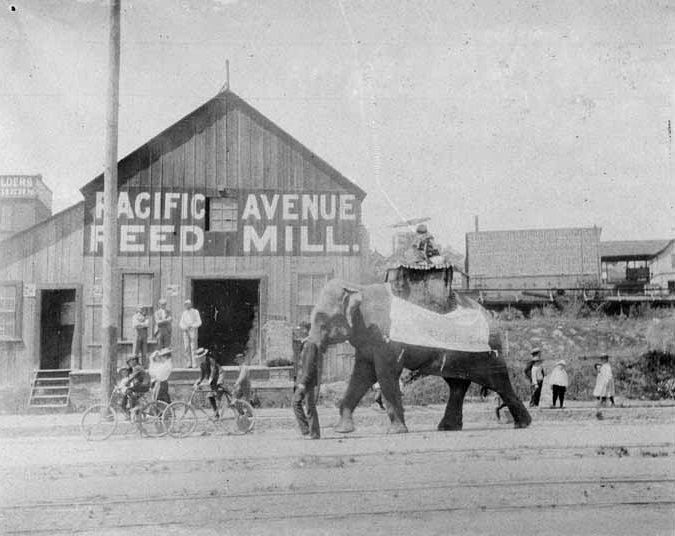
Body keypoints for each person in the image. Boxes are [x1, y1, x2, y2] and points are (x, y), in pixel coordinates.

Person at [293, 334, 325, 440]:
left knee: (309, 406)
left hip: (307, 381)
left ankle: (314, 433)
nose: (296, 333)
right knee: (297, 402)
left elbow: (309, 365)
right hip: (303, 381)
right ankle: (307, 430)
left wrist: (303, 382)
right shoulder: (304, 344)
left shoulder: (310, 345)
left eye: (298, 330)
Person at [194, 348, 227, 418]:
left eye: (201, 357)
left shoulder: (211, 360)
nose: (200, 359)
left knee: (218, 392)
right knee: (210, 396)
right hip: (213, 380)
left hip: (219, 375)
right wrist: (197, 382)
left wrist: (209, 381)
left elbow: (213, 371)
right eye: (199, 358)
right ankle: (216, 413)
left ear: (204, 356)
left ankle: (227, 403)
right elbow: (202, 376)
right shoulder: (202, 365)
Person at [179, 299, 202, 368]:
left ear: (191, 304)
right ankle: (188, 362)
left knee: (193, 347)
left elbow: (199, 322)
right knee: (186, 347)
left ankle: (194, 363)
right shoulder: (184, 313)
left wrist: (192, 326)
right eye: (185, 304)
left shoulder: (195, 312)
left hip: (193, 330)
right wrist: (184, 327)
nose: (187, 305)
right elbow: (181, 323)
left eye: (188, 304)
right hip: (186, 331)